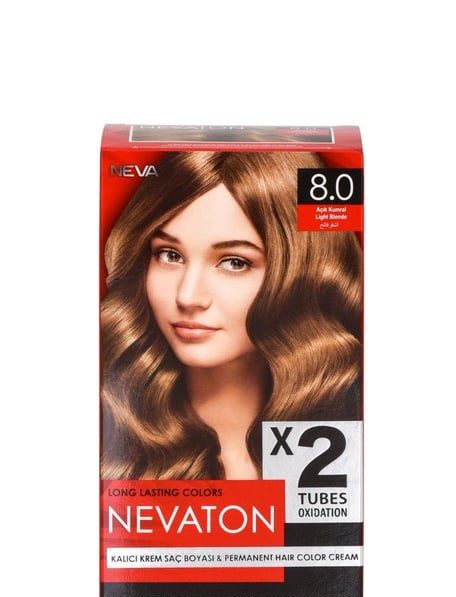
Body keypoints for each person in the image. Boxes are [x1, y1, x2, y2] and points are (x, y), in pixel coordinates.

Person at [101, 151, 362, 481]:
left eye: (234, 262)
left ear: (301, 274)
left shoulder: (343, 436)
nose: (188, 297)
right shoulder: (111, 432)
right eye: (170, 255)